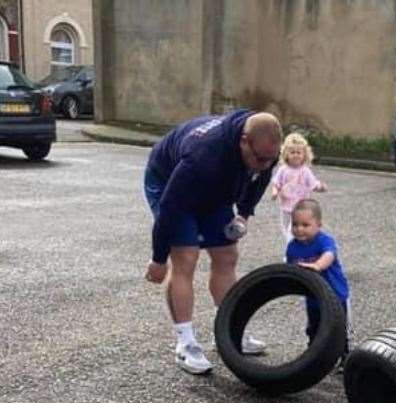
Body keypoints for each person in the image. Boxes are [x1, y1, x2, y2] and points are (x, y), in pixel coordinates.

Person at [143, 109, 281, 375]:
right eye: (259, 158)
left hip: (215, 188)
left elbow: (259, 180)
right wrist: (158, 259)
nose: (265, 165)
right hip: (169, 182)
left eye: (270, 159)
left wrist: (243, 215)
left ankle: (231, 330)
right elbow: (171, 207)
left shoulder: (265, 147)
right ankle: (185, 343)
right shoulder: (203, 155)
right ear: (243, 141)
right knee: (185, 258)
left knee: (227, 255)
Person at [285, 199, 350, 358]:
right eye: (295, 224)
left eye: (305, 225)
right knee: (314, 327)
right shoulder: (292, 247)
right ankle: (313, 355)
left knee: (338, 327)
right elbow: (291, 269)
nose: (299, 229)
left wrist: (318, 265)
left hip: (336, 295)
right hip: (313, 297)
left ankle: (344, 355)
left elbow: (329, 254)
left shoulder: (324, 240)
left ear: (318, 225)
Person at [270, 131, 326, 252]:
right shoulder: (283, 170)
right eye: (292, 152)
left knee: (293, 230)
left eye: (299, 152)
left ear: (304, 155)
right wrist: (274, 192)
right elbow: (276, 183)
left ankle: (291, 252)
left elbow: (313, 184)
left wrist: (320, 187)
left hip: (300, 208)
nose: (296, 155)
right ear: (286, 154)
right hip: (285, 207)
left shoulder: (305, 171)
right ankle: (297, 248)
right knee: (285, 229)